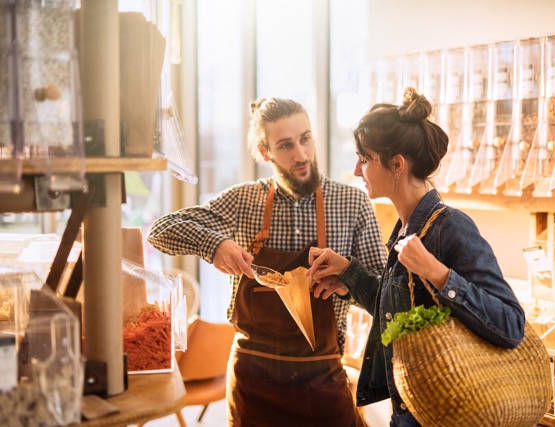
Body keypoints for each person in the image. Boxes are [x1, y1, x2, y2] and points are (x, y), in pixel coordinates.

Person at [147, 97, 387, 426]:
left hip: (323, 380)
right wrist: (214, 244)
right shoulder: (243, 200)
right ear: (265, 152)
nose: (301, 155)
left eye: (305, 139)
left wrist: (348, 278)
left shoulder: (352, 203)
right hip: (253, 384)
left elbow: (384, 294)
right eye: (286, 145)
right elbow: (160, 230)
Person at [306, 87, 526, 427]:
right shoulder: (406, 229)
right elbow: (402, 310)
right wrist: (349, 275)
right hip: (411, 412)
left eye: (365, 159)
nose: (356, 170)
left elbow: (511, 325)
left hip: (445, 417)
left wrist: (438, 274)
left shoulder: (450, 226)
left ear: (397, 164)